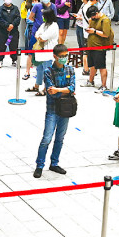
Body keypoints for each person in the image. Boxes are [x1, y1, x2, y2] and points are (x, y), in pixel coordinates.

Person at [34, 44, 75, 178]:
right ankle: (39, 165)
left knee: (60, 138)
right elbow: (51, 91)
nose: (64, 59)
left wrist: (59, 90)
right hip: (52, 110)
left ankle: (54, 163)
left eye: (66, 56)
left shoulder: (70, 70)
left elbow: (73, 88)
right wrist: (65, 90)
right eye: (61, 57)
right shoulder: (48, 71)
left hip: (66, 109)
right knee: (47, 138)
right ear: (55, 56)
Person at [83, 4, 114, 90]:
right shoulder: (93, 19)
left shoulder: (105, 20)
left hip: (99, 47)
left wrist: (94, 31)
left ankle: (104, 85)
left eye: (92, 16)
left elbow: (106, 34)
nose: (92, 18)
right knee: (92, 65)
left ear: (96, 13)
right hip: (91, 46)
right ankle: (90, 81)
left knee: (101, 66)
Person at [30, 8, 59, 97]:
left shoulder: (54, 26)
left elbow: (44, 37)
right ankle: (36, 85)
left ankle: (46, 88)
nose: (42, 17)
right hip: (40, 51)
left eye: (44, 16)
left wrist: (40, 36)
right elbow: (37, 34)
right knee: (39, 69)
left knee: (47, 70)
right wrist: (39, 36)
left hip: (48, 51)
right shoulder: (43, 25)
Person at [0, 0, 21, 68]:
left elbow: (18, 18)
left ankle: (14, 60)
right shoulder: (0, 9)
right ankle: (0, 60)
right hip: (3, 31)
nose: (8, 0)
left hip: (13, 31)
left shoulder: (15, 8)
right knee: (2, 46)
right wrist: (7, 25)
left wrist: (12, 25)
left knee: (14, 45)